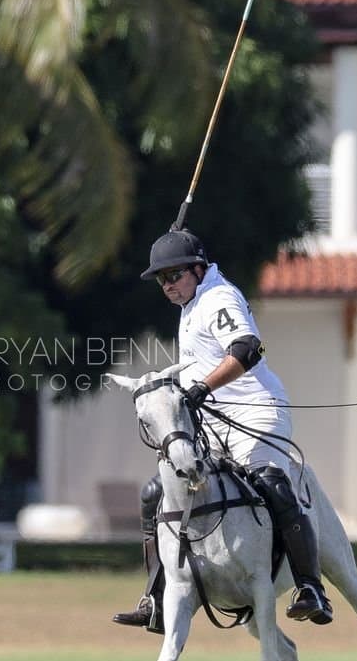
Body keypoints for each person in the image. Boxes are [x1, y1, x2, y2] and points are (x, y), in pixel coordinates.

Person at [112, 228, 333, 633]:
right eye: (161, 279)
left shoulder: (219, 298)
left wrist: (201, 388)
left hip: (255, 410)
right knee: (156, 492)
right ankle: (156, 597)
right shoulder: (191, 300)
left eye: (174, 275)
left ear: (199, 269)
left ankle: (310, 587)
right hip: (212, 418)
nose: (167, 285)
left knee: (271, 484)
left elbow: (248, 349)